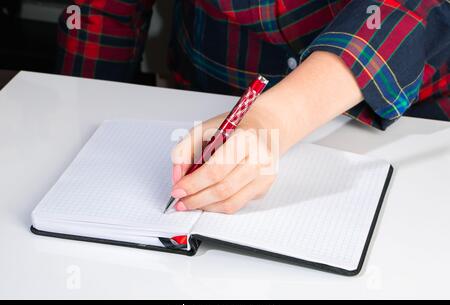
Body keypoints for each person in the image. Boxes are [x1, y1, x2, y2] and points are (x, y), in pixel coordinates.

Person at [57, 0, 449, 214]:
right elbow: (101, 10)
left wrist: (273, 117)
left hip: (401, 114)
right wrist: (86, 120)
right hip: (208, 93)